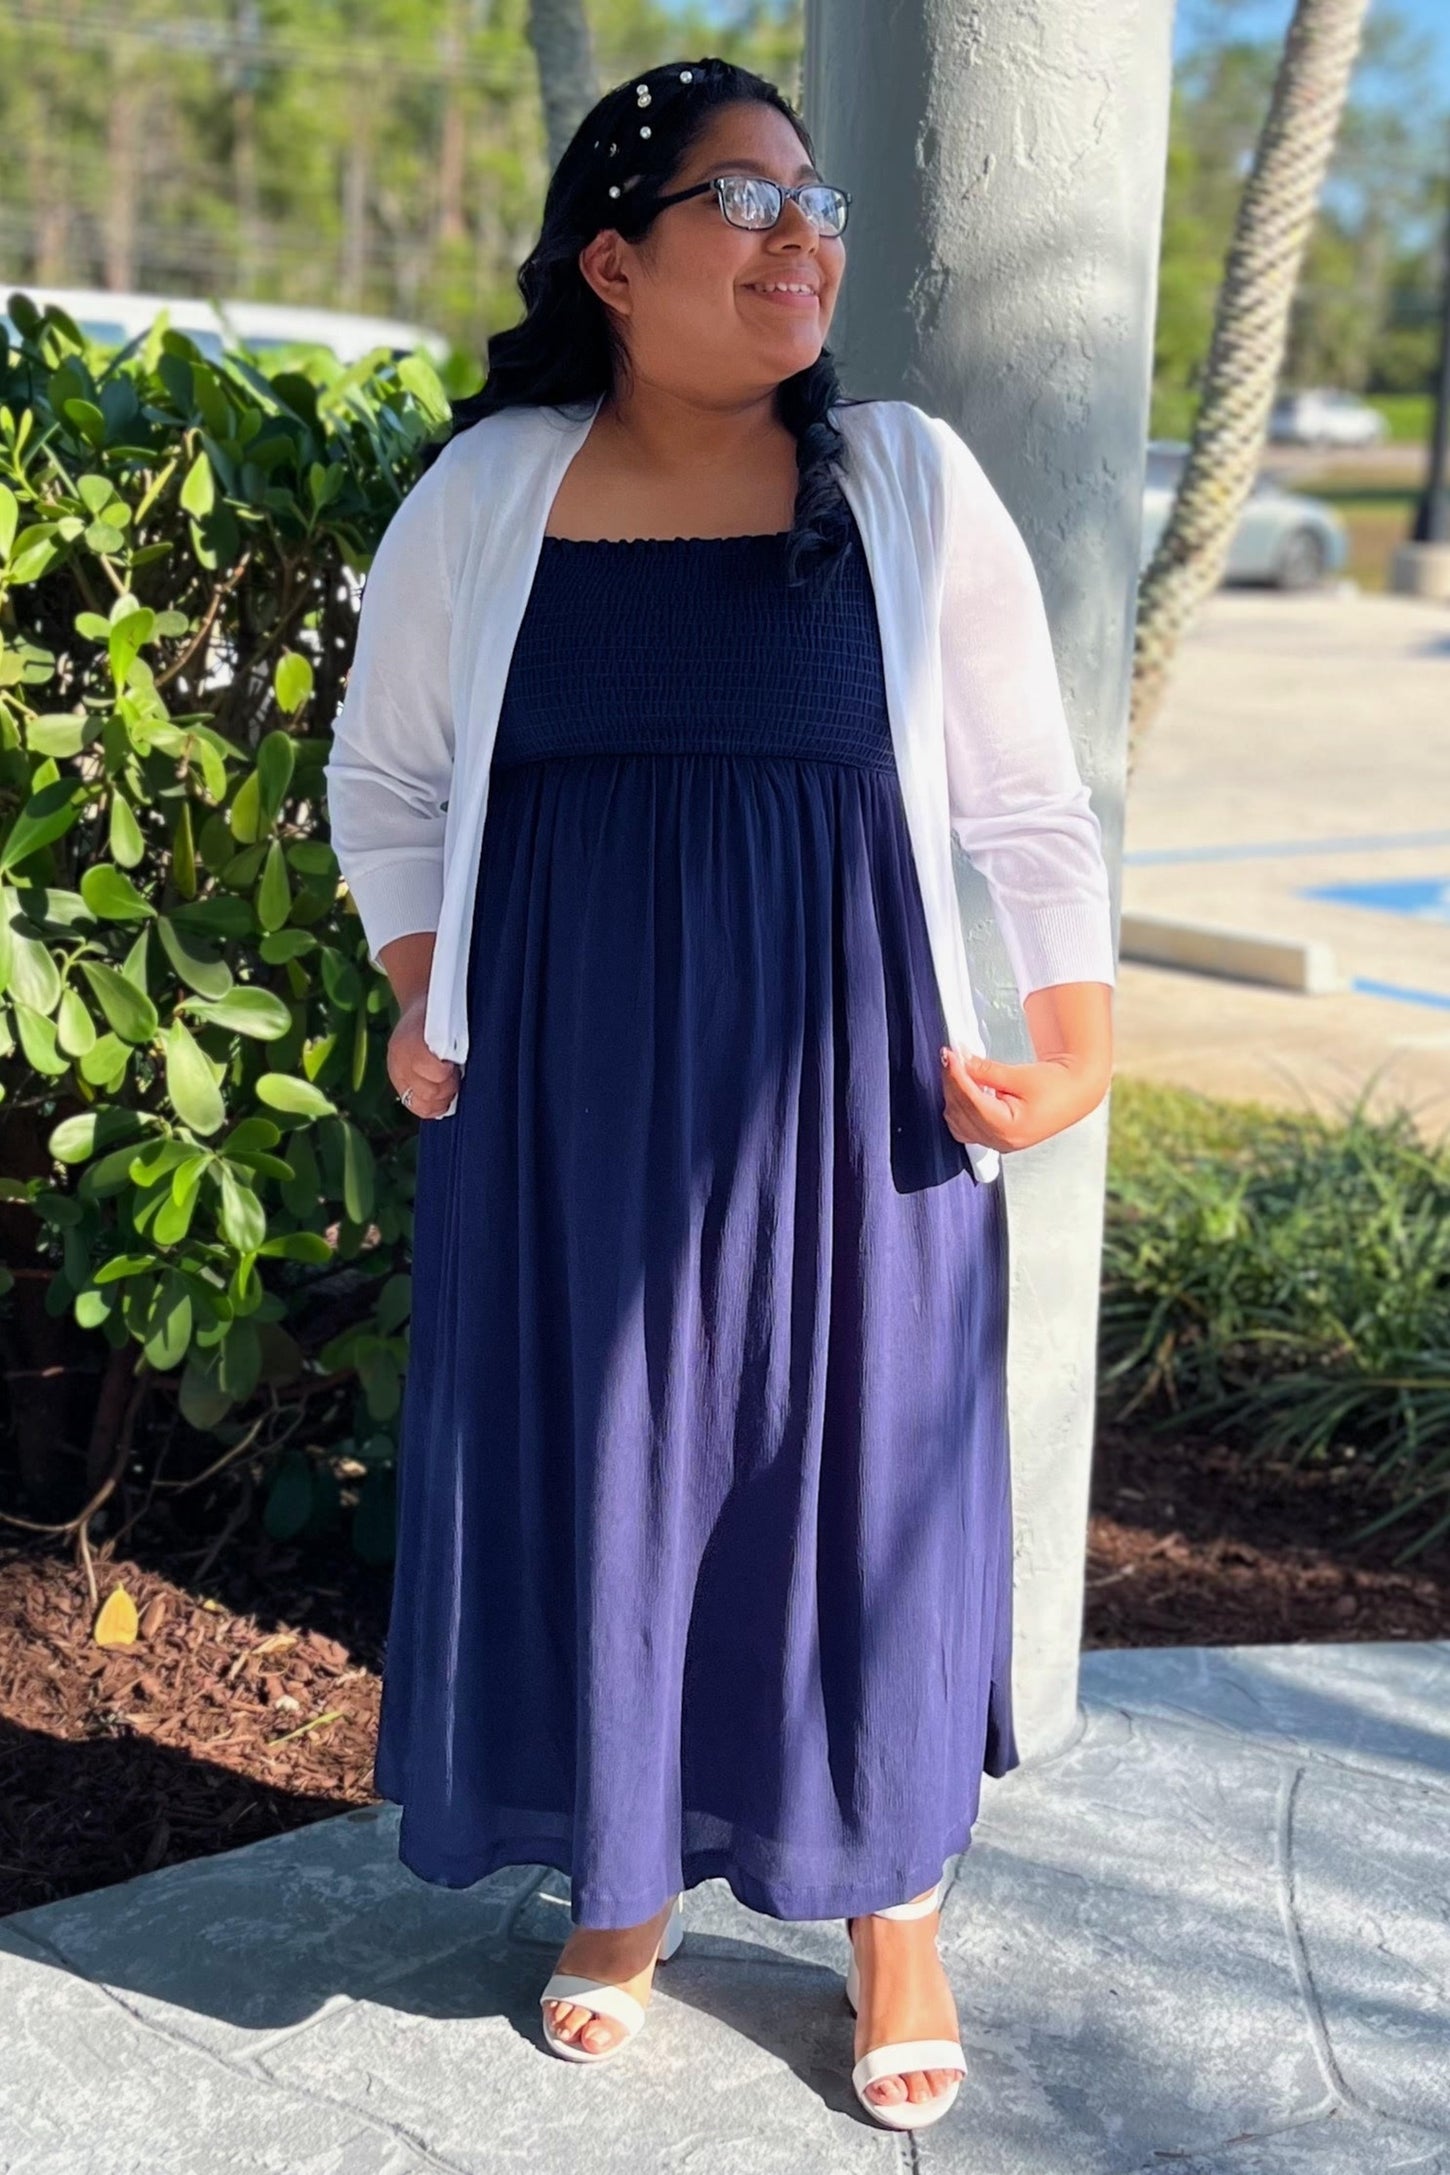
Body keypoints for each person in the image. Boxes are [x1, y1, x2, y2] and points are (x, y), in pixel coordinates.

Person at [323, 54, 1116, 2133]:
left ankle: (893, 1909)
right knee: (608, 1469)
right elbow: (387, 780)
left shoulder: (904, 478)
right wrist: (417, 985)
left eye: (813, 201)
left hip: (855, 1092)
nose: (800, 239)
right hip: (564, 1098)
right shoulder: (488, 493)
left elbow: (1025, 798)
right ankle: (625, 1867)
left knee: (843, 1486)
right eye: (744, 201)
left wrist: (1076, 1045)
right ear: (614, 259)